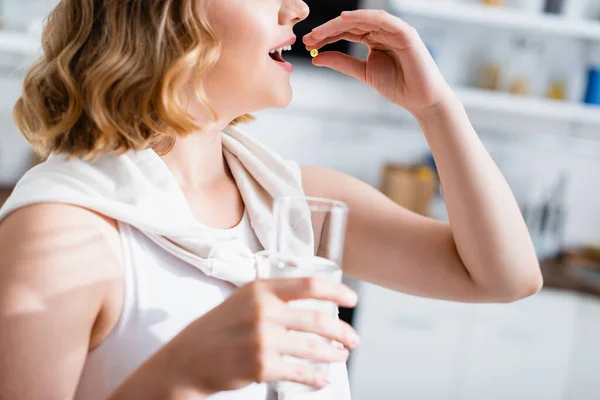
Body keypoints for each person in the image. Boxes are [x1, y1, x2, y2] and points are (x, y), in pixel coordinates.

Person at [0, 1, 542, 399]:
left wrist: (436, 108)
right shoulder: (59, 233)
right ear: (164, 14)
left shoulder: (297, 201)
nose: (297, 7)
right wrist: (179, 375)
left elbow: (503, 277)